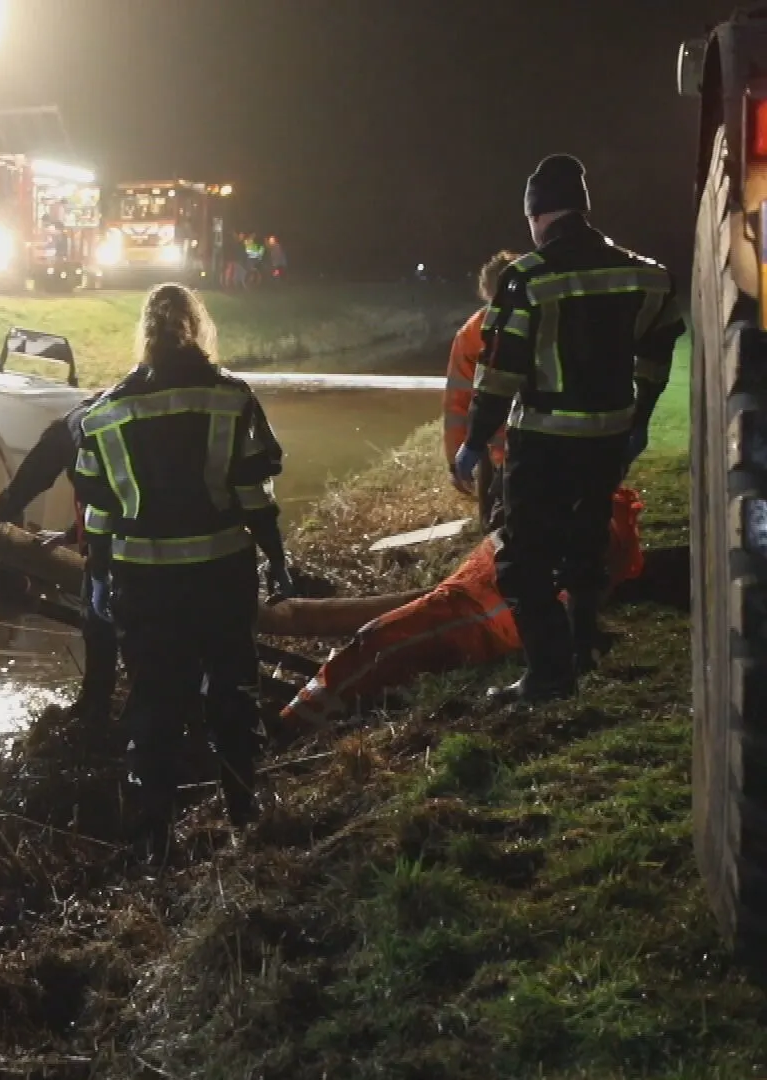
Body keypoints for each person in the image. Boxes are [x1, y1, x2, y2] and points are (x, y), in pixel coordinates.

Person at [453, 154, 685, 703]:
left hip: (543, 440)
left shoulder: (528, 277)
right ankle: (583, 642)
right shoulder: (645, 273)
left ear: (537, 216)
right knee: (586, 541)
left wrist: (474, 438)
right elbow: (657, 352)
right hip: (608, 435)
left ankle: (550, 673)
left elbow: (500, 370)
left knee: (522, 559)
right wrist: (641, 418)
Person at [75, 284, 294, 826]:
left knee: (152, 700)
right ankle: (244, 809)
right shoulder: (232, 397)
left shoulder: (104, 414)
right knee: (232, 688)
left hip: (143, 584)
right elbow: (254, 493)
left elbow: (97, 509)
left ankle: (154, 835)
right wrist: (278, 558)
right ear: (197, 329)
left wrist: (99, 577)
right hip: (221, 574)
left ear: (144, 333)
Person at [280, 487, 644, 730]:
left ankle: (292, 722)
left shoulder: (573, 528)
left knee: (381, 642)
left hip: (486, 601)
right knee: (387, 638)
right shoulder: (597, 515)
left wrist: (285, 727)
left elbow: (380, 642)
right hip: (490, 583)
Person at [0, 391, 114, 727]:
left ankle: (96, 707)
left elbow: (34, 476)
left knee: (99, 620)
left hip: (116, 548)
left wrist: (0, 513)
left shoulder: (72, 428)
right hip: (170, 542)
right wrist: (71, 535)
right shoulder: (135, 420)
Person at [443, 251, 518, 528]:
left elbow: (457, 403)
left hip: (502, 445)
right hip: (509, 444)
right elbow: (459, 403)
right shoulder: (473, 334)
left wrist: (457, 459)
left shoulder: (473, 332)